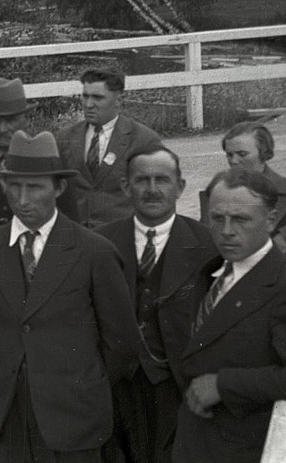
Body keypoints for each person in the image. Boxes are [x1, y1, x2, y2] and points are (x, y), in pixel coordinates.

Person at [0, 130, 139, 463]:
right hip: (8, 415)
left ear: (59, 188)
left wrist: (78, 382)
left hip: (73, 417)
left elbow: (122, 343)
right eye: (13, 186)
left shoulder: (94, 252)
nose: (22, 199)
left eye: (34, 187)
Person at [95, 144, 216, 463]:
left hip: (176, 388)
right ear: (125, 187)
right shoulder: (98, 243)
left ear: (180, 187)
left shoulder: (209, 245)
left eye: (162, 180)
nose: (152, 189)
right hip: (115, 389)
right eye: (141, 180)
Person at [163, 168, 286, 463]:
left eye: (241, 219)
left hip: (246, 450)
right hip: (196, 443)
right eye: (217, 218)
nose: (227, 230)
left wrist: (222, 385)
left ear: (270, 220)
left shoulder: (280, 283)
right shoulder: (213, 271)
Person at [0, 77, 78, 239]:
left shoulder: (50, 157)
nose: (2, 128)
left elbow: (70, 220)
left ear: (26, 119)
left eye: (10, 120)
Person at [55, 67, 161, 227]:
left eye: (97, 98)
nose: (89, 104)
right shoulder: (65, 138)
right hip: (75, 237)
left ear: (119, 100)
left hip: (121, 237)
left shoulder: (143, 140)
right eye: (85, 96)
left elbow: (154, 197)